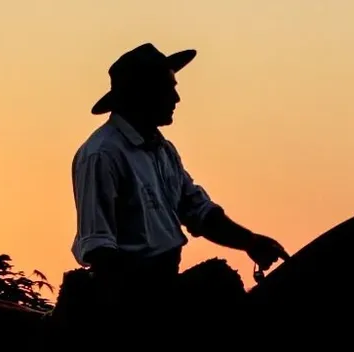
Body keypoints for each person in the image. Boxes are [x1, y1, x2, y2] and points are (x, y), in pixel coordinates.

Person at [67, 42, 288, 326]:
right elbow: (99, 246)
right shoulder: (102, 154)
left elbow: (198, 211)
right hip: (132, 299)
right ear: (142, 94)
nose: (176, 98)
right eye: (167, 88)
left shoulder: (163, 150)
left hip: (163, 284)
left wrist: (251, 242)